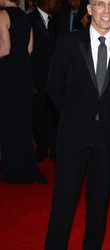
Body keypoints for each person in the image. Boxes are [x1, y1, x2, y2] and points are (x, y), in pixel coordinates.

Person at [44, 0, 110, 248]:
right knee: (63, 201)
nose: (107, 10)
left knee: (99, 204)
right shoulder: (69, 43)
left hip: (107, 136)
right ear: (90, 9)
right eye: (100, 4)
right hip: (73, 135)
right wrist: (74, 114)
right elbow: (53, 86)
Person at [0, 0, 47, 183]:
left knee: (8, 119)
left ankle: (13, 168)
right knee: (23, 120)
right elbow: (29, 49)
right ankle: (27, 165)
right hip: (24, 73)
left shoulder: (2, 16)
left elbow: (4, 48)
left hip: (7, 73)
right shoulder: (26, 18)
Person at [29, 0, 60, 163]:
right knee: (38, 114)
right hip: (37, 77)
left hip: (54, 77)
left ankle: (55, 149)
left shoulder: (56, 21)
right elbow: (27, 55)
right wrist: (31, 80)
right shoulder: (30, 20)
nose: (58, 4)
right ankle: (41, 148)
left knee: (54, 114)